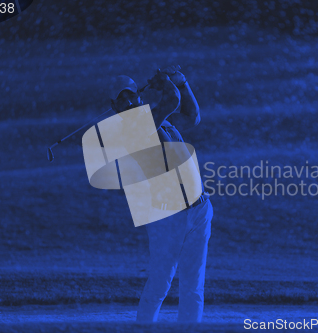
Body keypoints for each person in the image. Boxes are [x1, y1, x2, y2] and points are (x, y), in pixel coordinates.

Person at [110, 66, 213, 323]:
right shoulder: (131, 132)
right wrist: (166, 82)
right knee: (160, 283)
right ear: (115, 107)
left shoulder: (161, 122)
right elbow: (172, 101)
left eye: (131, 94)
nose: (129, 100)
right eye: (122, 98)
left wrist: (182, 81)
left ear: (139, 95)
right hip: (166, 217)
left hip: (198, 209)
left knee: (193, 286)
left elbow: (192, 115)